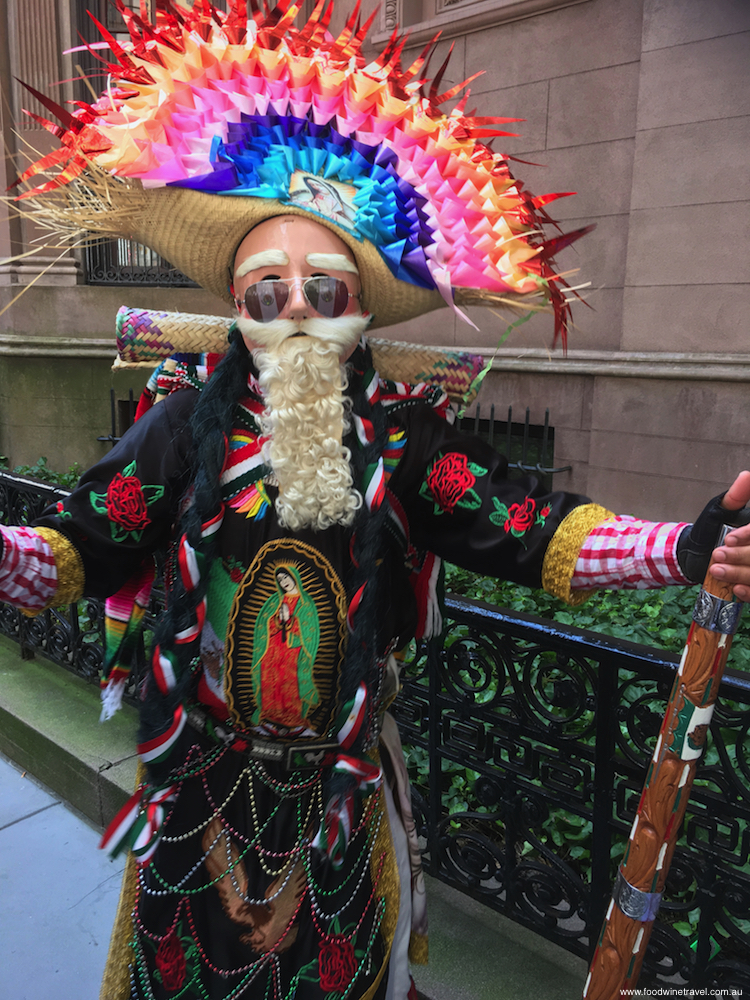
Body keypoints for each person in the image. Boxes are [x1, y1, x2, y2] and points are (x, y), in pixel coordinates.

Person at [2, 4, 750, 999]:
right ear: (239, 310)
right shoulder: (180, 431)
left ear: (358, 309)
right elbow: (78, 545)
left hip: (345, 802)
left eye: (325, 287)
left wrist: (685, 548)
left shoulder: (406, 442)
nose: (298, 309)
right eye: (268, 292)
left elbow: (522, 530)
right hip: (199, 798)